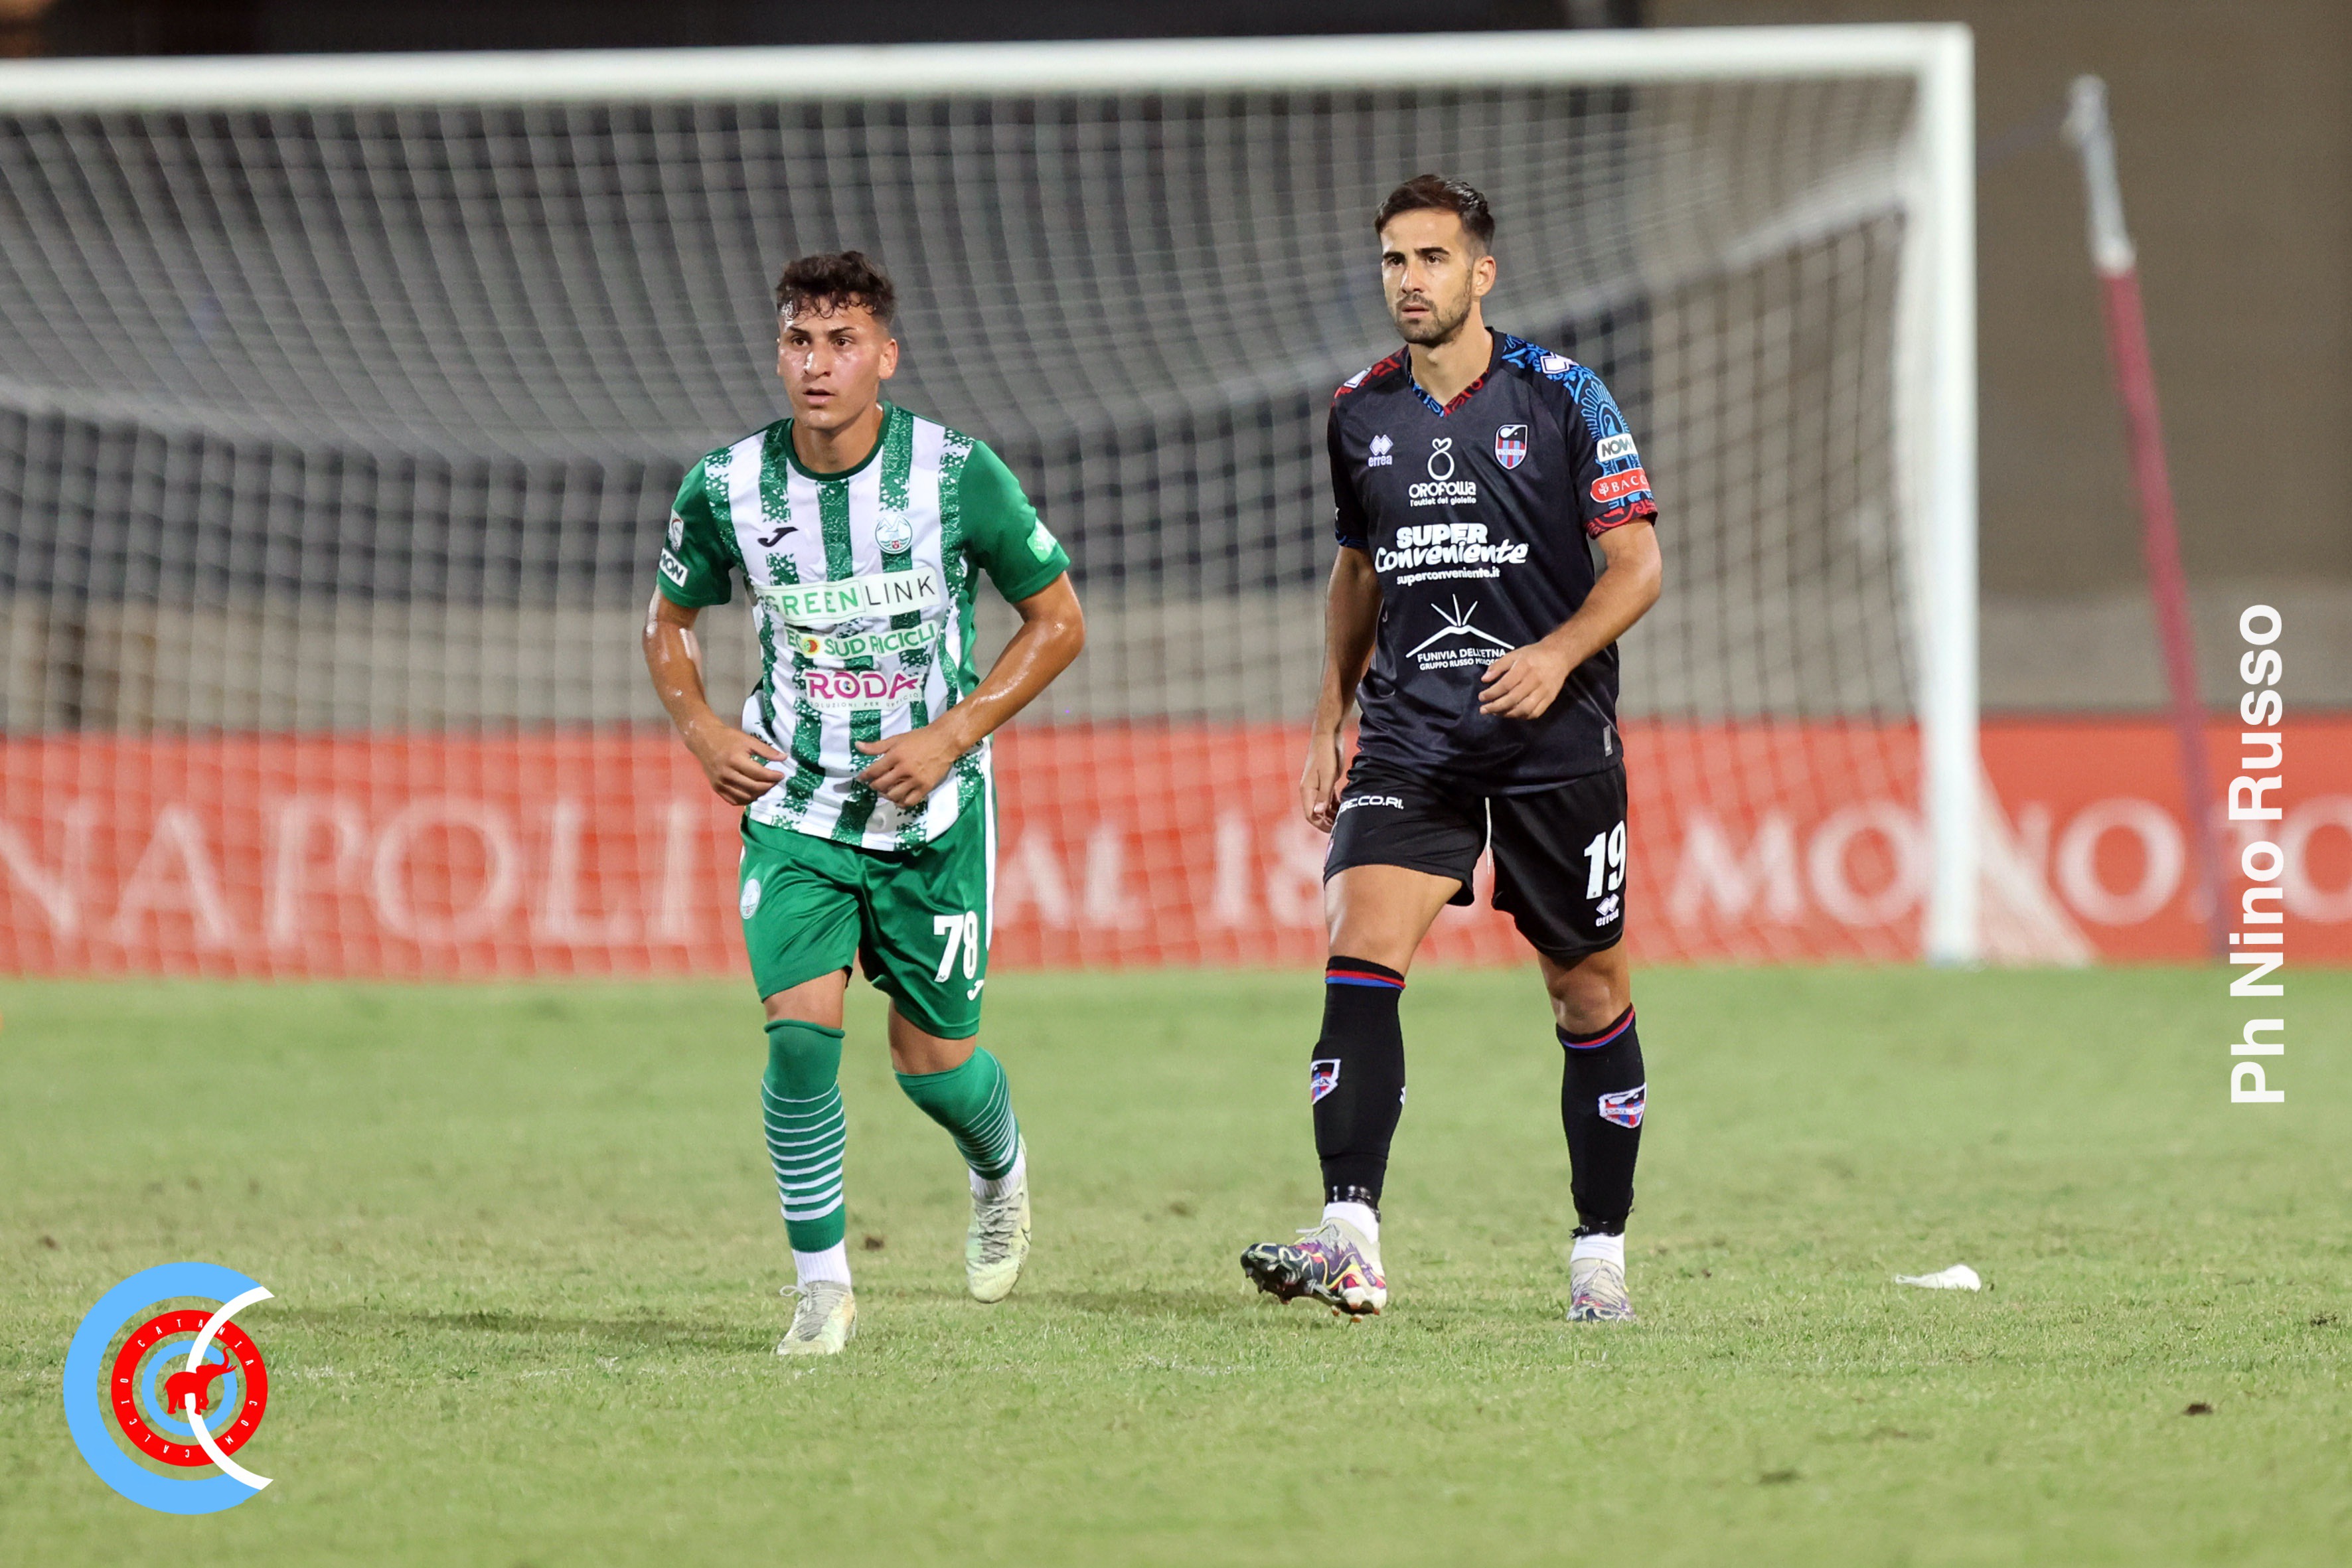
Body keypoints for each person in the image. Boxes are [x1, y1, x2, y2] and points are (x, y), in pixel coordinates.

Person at [644, 250, 1085, 1356]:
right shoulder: (725, 486)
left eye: (842, 342)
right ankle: (822, 1287)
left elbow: (1060, 620)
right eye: (800, 340)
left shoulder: (957, 475)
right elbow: (669, 621)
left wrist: (950, 735)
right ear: (778, 353)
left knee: (933, 1066)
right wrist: (704, 730)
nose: (818, 363)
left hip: (931, 820)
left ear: (886, 356)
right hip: (794, 808)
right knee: (800, 1037)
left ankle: (999, 1169)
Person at [1240, 175, 1664, 1323]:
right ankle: (1349, 1235)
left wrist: (1557, 655)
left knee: (1588, 992)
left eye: (1432, 258)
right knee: (1358, 951)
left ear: (1483, 272)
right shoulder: (1358, 410)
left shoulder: (1564, 394)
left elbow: (1637, 566)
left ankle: (1599, 1253)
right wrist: (1328, 716)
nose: (1409, 280)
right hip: (1411, 736)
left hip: (1552, 740)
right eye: (1394, 259)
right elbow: (1359, 569)